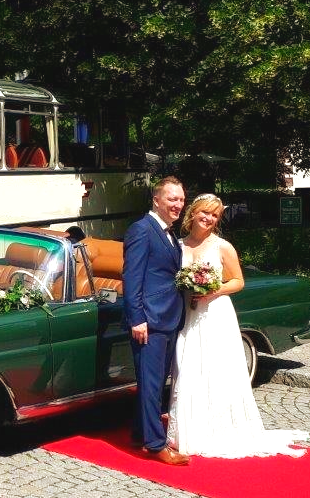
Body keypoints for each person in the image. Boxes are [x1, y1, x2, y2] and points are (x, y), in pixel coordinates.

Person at [167, 193, 309, 457]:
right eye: (204, 212)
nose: (208, 219)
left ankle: (218, 429)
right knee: (188, 368)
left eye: (214, 215)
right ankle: (187, 430)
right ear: (193, 212)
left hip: (215, 314)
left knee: (217, 370)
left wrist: (213, 290)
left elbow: (238, 281)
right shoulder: (178, 245)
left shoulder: (222, 247)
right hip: (188, 315)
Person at [122, 176, 189, 465]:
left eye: (182, 199)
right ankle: (155, 443)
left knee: (157, 381)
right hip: (149, 320)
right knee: (150, 384)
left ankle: (139, 431)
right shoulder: (142, 230)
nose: (178, 204)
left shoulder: (168, 233)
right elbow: (132, 278)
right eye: (172, 199)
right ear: (157, 200)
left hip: (169, 317)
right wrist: (137, 318)